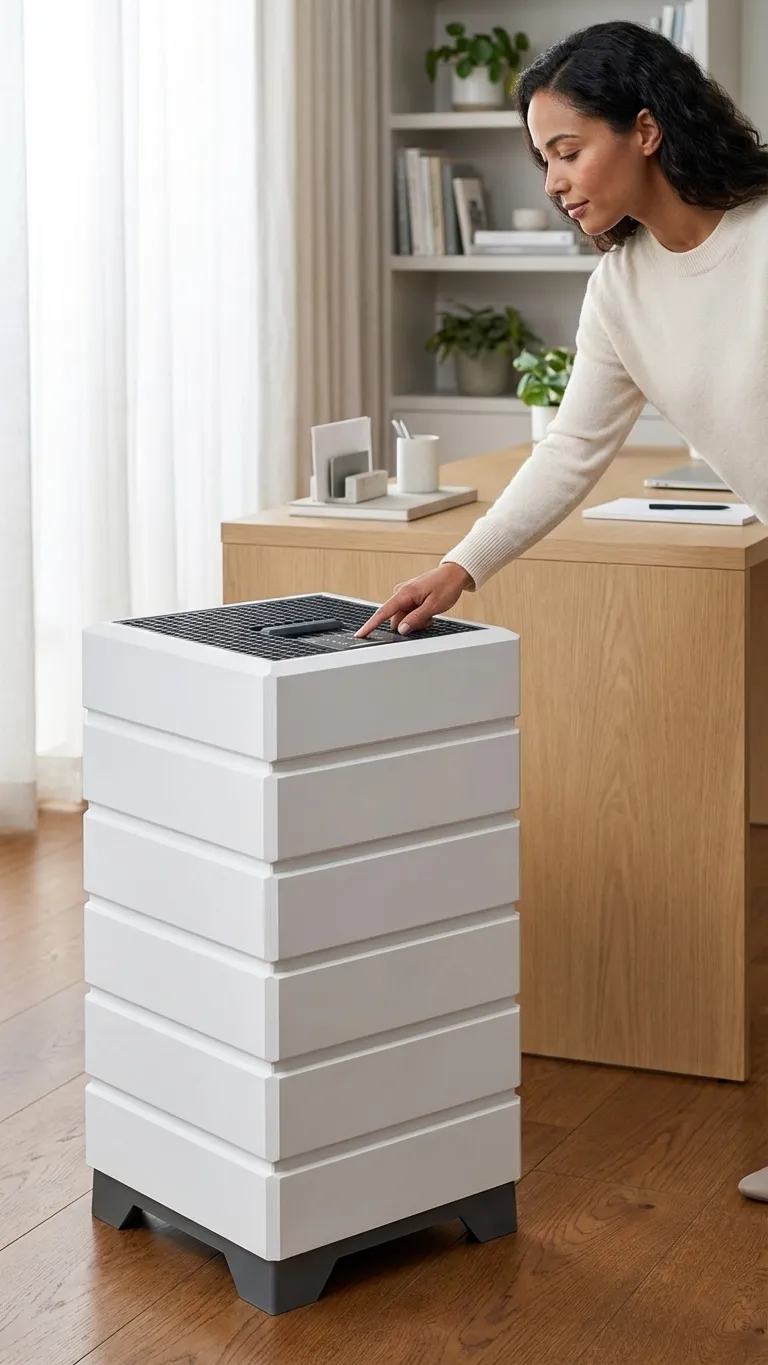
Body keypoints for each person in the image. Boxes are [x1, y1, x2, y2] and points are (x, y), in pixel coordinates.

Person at [357, 19, 768, 1201]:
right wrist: (461, 569)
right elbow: (570, 455)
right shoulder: (625, 292)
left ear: (645, 130)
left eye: (567, 149)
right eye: (541, 157)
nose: (552, 182)